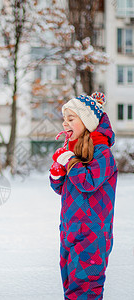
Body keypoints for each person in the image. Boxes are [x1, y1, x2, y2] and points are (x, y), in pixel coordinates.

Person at [49, 92, 118, 300]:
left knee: (85, 291)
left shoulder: (103, 154)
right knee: (71, 289)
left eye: (71, 119)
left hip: (92, 236)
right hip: (69, 231)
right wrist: (57, 173)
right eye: (64, 119)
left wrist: (70, 162)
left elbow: (87, 182)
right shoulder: (75, 152)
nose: (65, 124)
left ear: (87, 122)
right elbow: (61, 188)